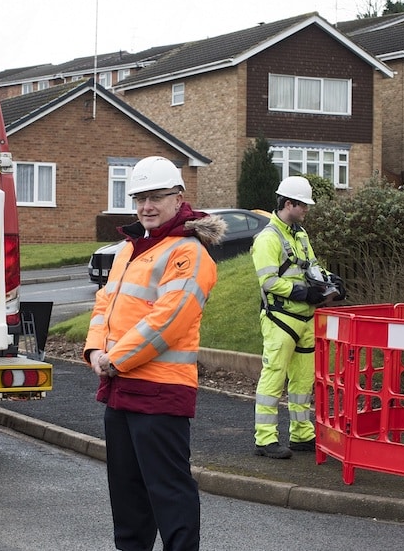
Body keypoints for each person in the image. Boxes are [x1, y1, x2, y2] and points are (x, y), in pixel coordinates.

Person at [84, 156, 222, 551]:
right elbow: (104, 303)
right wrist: (95, 348)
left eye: (156, 197)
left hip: (160, 391)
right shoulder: (132, 248)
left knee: (169, 492)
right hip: (121, 387)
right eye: (140, 197)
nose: (147, 206)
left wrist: (114, 359)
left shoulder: (187, 252)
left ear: (179, 198)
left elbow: (169, 319)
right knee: (127, 495)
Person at [251, 176, 345, 460]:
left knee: (303, 381)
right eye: (303, 205)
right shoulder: (268, 238)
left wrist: (330, 282)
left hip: (304, 320)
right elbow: (267, 282)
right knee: (273, 378)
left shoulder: (300, 234)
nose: (306, 210)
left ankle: (301, 434)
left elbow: (311, 268)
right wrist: (303, 293)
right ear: (288, 203)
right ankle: (265, 439)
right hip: (281, 319)